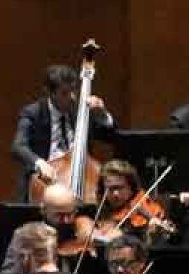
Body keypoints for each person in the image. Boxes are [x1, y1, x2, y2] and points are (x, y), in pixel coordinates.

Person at [12, 62, 117, 198]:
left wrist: (102, 114)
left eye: (74, 90)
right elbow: (18, 146)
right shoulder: (33, 113)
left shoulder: (82, 112)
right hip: (46, 182)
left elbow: (111, 137)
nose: (72, 97)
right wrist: (39, 163)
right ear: (49, 92)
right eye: (65, 93)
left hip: (81, 179)